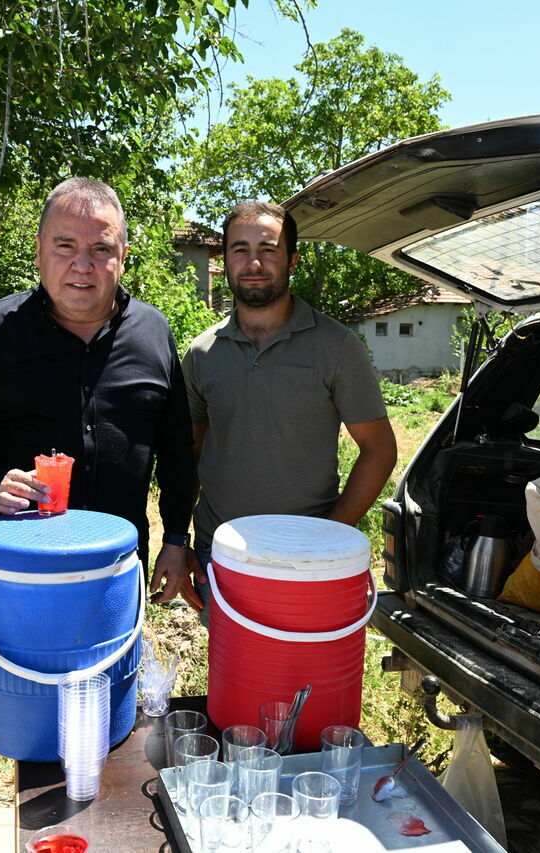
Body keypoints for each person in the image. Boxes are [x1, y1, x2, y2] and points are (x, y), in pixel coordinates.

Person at [0, 177, 193, 598]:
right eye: (65, 245)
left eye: (101, 249)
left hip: (118, 565)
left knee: (116, 666)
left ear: (123, 257)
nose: (83, 264)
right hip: (19, 565)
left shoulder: (154, 331)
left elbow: (177, 449)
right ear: (39, 250)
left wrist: (175, 539)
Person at [168, 201, 397, 613]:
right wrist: (179, 542)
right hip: (218, 556)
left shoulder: (337, 347)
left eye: (268, 249)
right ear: (226, 260)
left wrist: (332, 535)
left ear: (291, 260)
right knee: (231, 673)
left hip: (309, 562)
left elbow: (379, 449)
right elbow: (188, 456)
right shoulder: (202, 353)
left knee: (300, 676)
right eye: (240, 249)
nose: (253, 262)